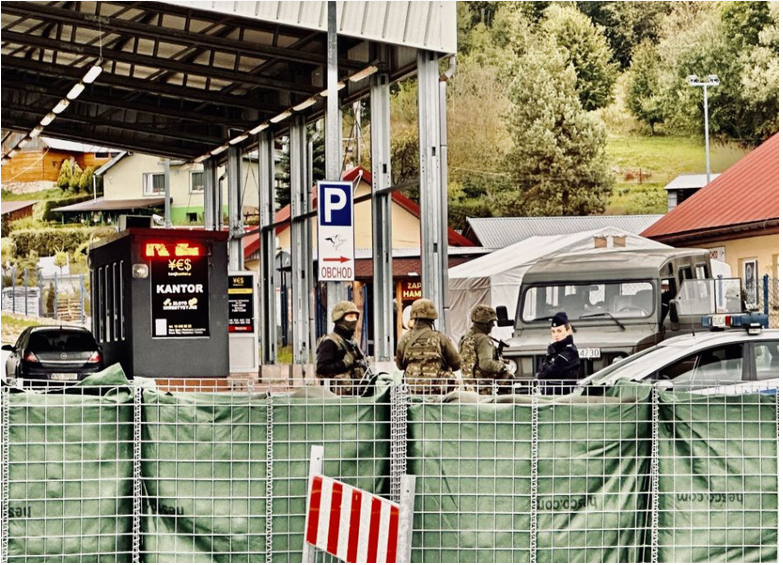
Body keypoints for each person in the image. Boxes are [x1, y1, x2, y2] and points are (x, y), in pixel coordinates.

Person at [395, 298, 461, 396]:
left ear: (413, 317)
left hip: (413, 395)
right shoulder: (440, 338)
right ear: (432, 319)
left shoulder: (404, 339)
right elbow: (457, 364)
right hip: (437, 397)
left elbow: (400, 366)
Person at [459, 304, 515, 395]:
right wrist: (503, 366)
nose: (493, 325)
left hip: (470, 387)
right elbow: (486, 364)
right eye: (491, 322)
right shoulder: (483, 339)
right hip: (484, 387)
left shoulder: (466, 338)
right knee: (509, 376)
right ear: (485, 324)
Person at [315, 301, 368, 396]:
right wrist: (344, 363)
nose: (354, 320)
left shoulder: (352, 342)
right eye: (350, 316)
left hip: (357, 395)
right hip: (337, 398)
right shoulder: (330, 342)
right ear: (340, 319)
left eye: (356, 317)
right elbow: (321, 369)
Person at [536, 311, 581, 394]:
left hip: (563, 397)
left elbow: (551, 372)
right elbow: (543, 371)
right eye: (553, 331)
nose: (556, 335)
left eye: (559, 331)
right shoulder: (554, 349)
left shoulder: (570, 351)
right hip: (548, 395)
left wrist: (543, 371)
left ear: (567, 330)